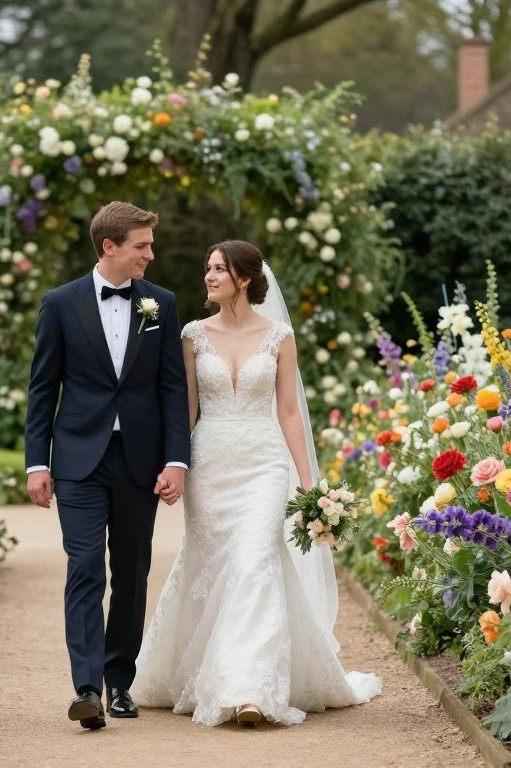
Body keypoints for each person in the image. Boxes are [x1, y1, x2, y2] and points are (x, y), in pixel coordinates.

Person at [130, 240, 381, 727]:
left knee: (254, 561)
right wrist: (173, 462)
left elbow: (288, 411)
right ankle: (206, 669)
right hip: (210, 461)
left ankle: (247, 688)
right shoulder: (192, 335)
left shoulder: (280, 337)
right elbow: (185, 411)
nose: (208, 276)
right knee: (212, 562)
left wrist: (311, 485)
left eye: (218, 269)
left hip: (265, 463)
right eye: (207, 268)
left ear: (244, 278)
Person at [25, 201, 192, 730]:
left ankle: (120, 681)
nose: (151, 254)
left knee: (133, 572)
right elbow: (42, 388)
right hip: (77, 460)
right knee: (84, 568)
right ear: (110, 246)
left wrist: (176, 460)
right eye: (142, 245)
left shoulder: (161, 305)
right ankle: (87, 688)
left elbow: (172, 388)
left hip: (140, 462)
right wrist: (36, 462)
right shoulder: (60, 304)